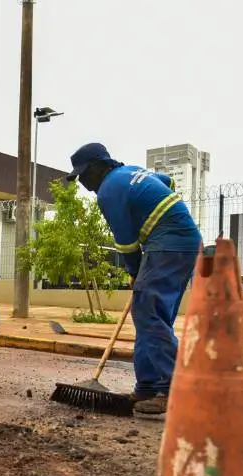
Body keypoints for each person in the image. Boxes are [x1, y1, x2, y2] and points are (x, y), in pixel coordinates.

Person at [66, 142, 202, 415]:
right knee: (151, 317)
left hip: (169, 244)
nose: (81, 181)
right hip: (181, 243)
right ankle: (149, 387)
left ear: (98, 166)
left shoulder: (108, 190)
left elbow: (126, 242)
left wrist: (134, 271)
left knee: (148, 313)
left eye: (83, 173)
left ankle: (176, 387)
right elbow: (166, 181)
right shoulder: (131, 172)